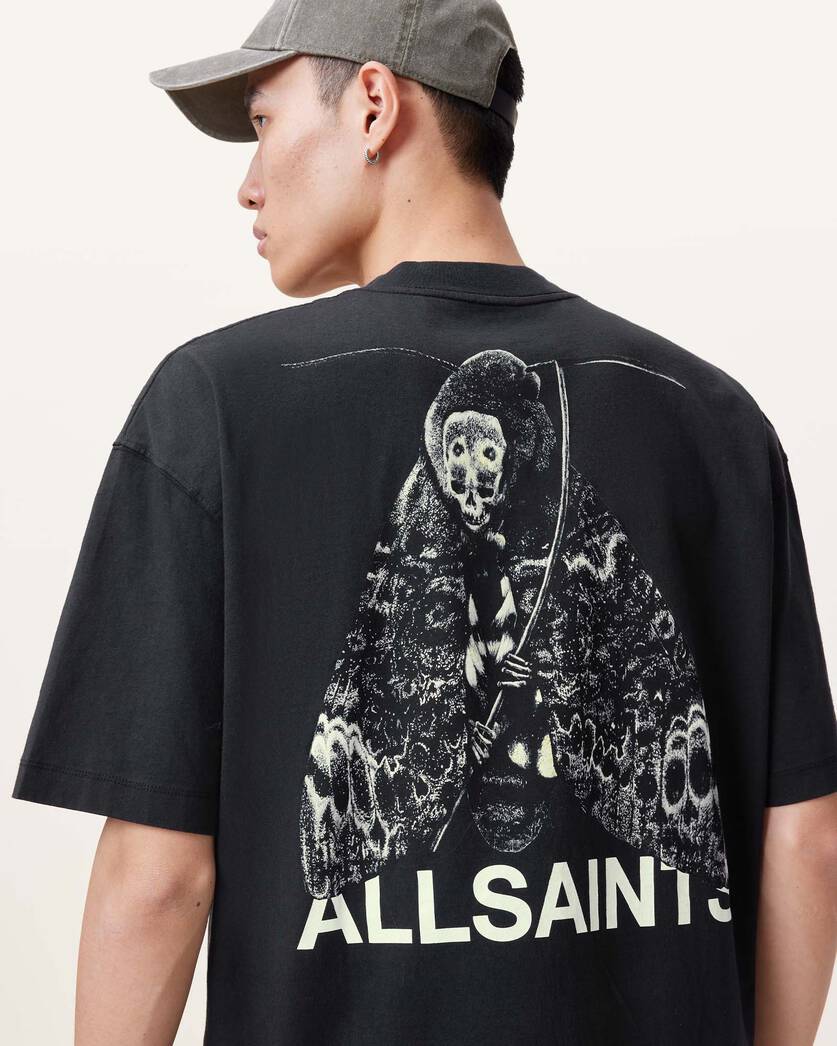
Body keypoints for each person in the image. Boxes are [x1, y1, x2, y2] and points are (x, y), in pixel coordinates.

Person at [11, 1, 837, 1043]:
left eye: (263, 123)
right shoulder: (714, 419)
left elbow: (158, 877)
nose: (247, 184)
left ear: (372, 105)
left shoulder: (217, 406)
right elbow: (806, 840)